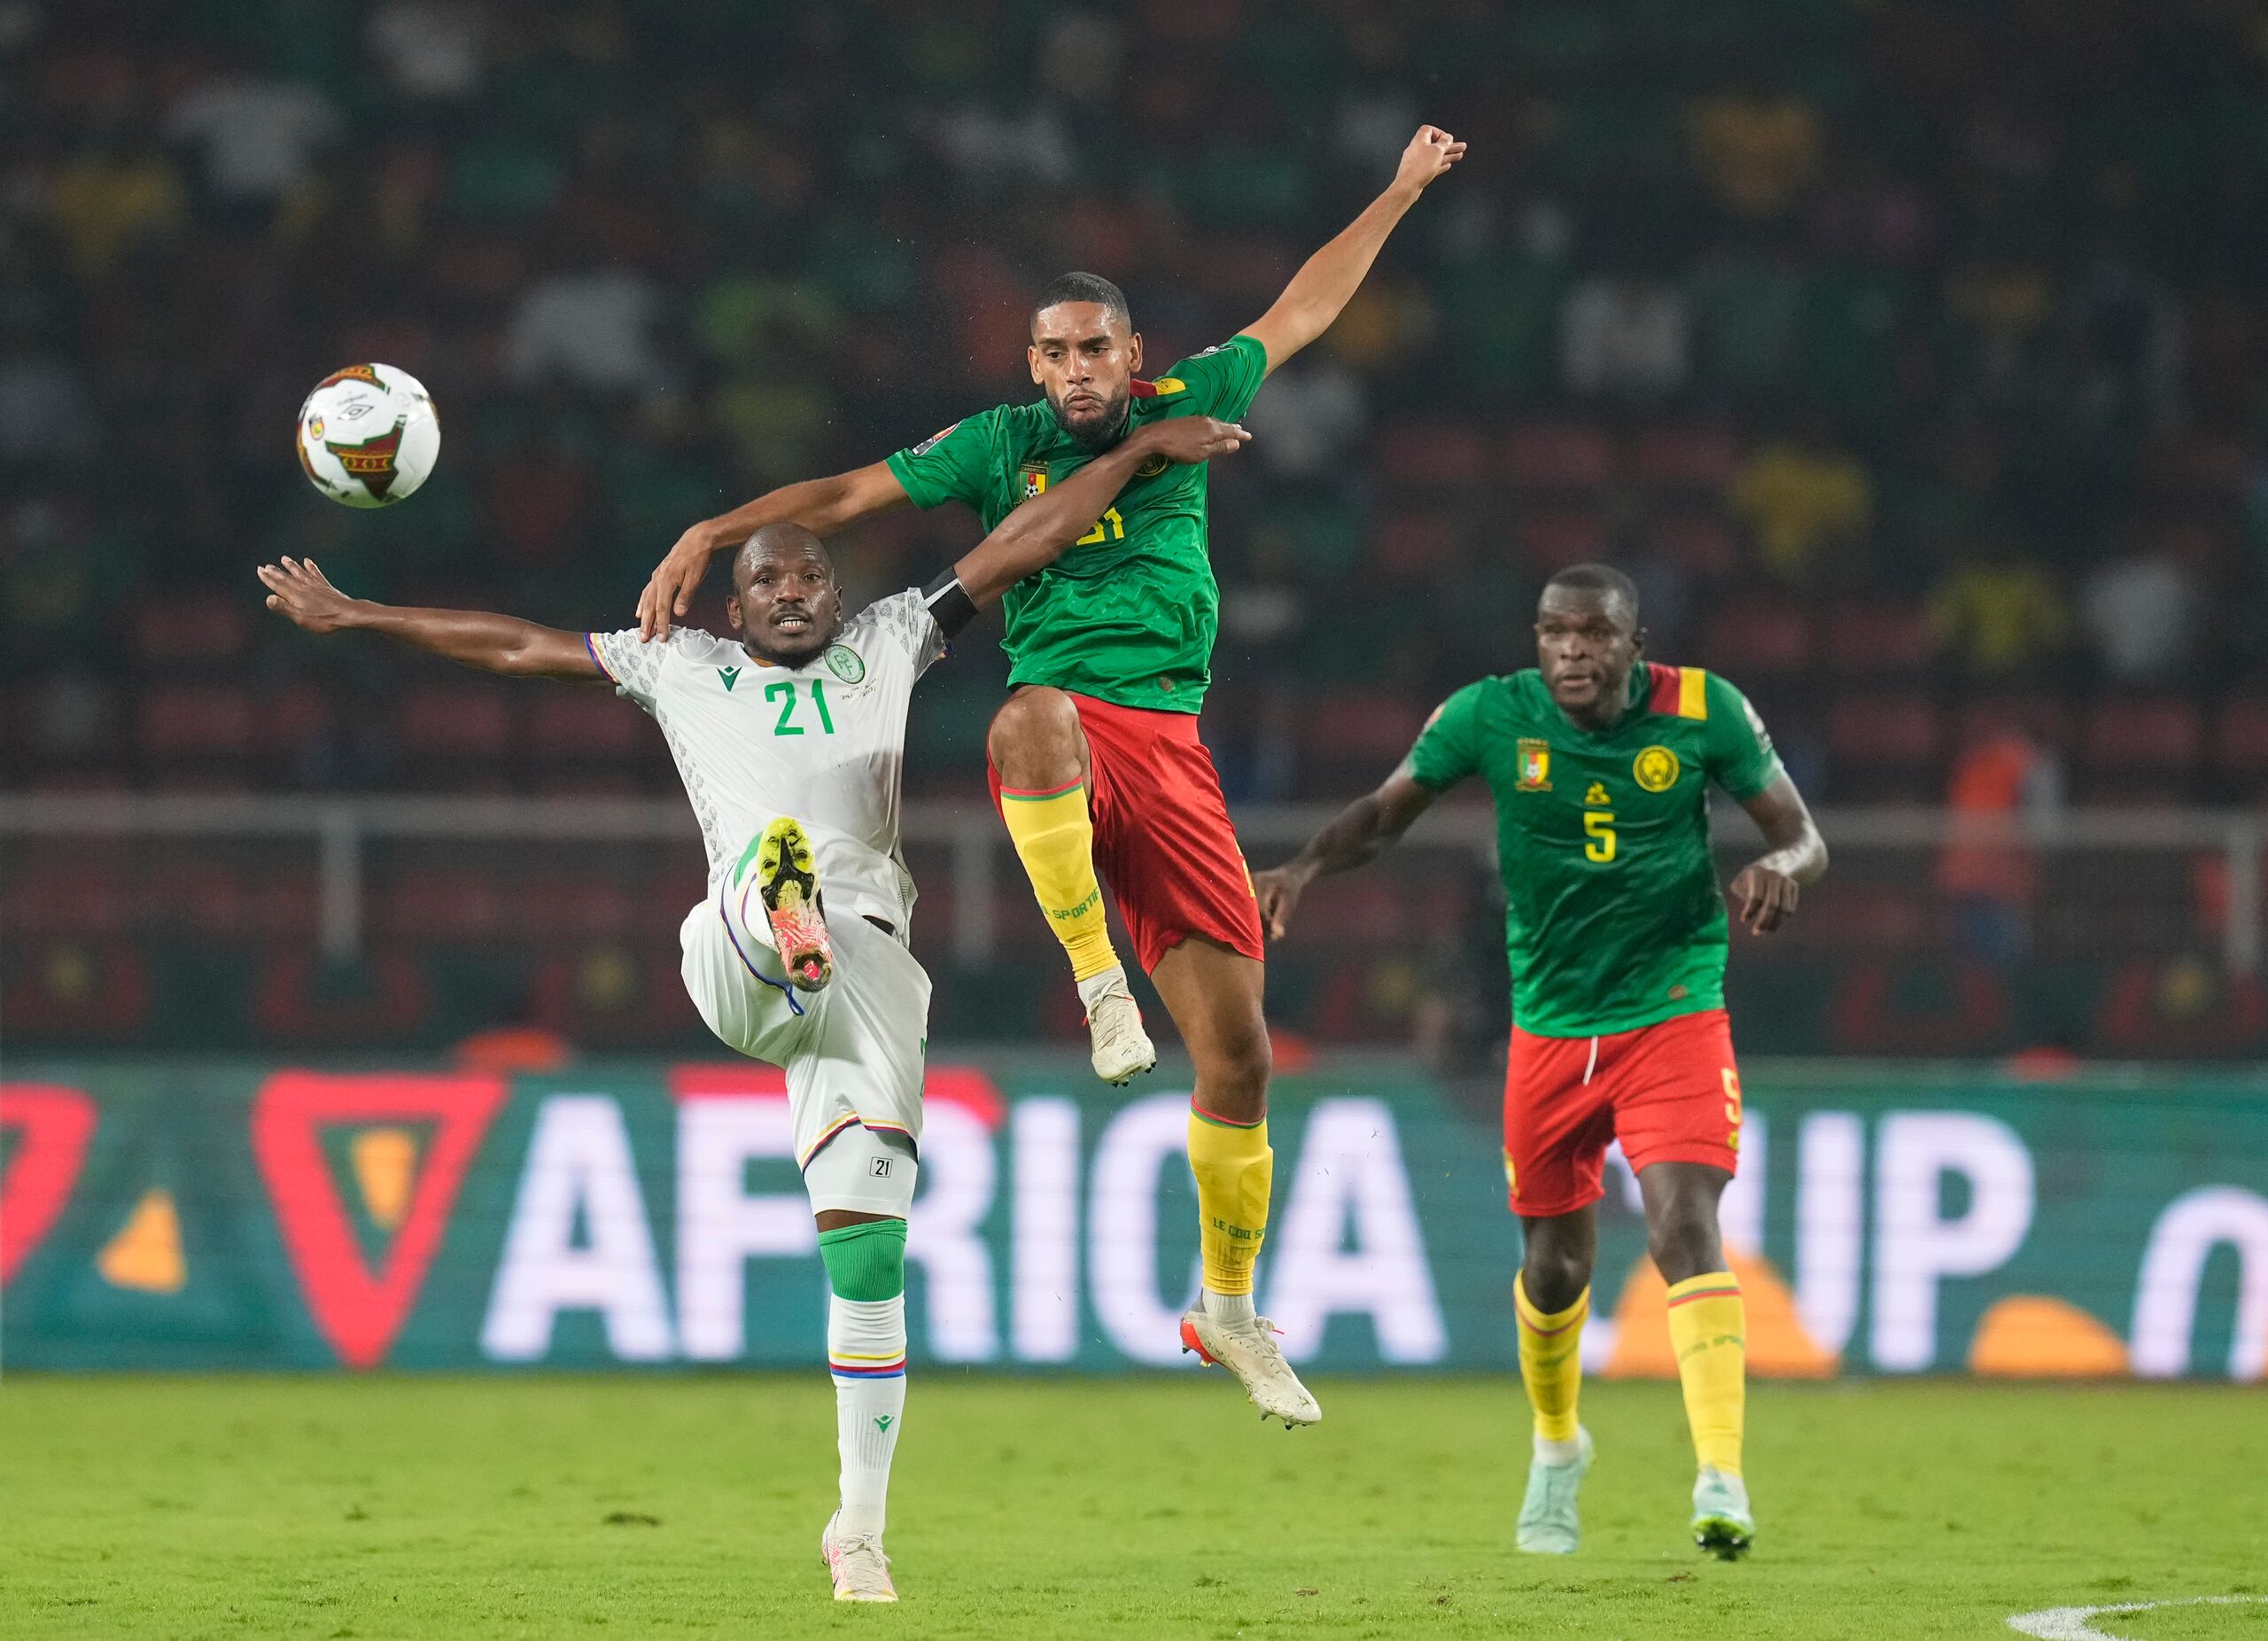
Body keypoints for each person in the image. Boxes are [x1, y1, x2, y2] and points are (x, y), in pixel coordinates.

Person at [259, 414, 1249, 1605]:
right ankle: (781, 917)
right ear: (732, 609)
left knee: (872, 1258)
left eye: (809, 574)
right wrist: (363, 617)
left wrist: (1138, 460)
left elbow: (1024, 541)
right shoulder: (685, 667)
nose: (790, 589)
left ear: (839, 593)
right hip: (740, 947)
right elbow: (519, 649)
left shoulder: (892, 641)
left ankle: (860, 1533)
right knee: (771, 867)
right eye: (765, 578)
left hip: (869, 978)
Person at [634, 125, 1468, 1427]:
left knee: (1240, 1057)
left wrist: (1402, 192)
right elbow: (850, 495)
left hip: (1174, 750)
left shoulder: (1194, 395)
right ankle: (1096, 986)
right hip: (1069, 729)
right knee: (1027, 716)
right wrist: (712, 528)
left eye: (1097, 349)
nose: (1077, 369)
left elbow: (1303, 306)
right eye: (1056, 351)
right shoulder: (997, 442)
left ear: (1133, 358)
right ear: (1032, 363)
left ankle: (1229, 1311)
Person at [1252, 564, 1828, 1559]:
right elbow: (1388, 811)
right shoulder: (1489, 714)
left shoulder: (1705, 709)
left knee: (1682, 1224)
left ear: (1633, 644)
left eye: (1594, 634)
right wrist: (1300, 868)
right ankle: (1558, 1444)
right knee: (1554, 1267)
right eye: (1555, 632)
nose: (1572, 650)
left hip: (1672, 1011)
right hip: (1551, 1029)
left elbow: (1801, 836)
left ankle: (1719, 1471)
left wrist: (1780, 866)